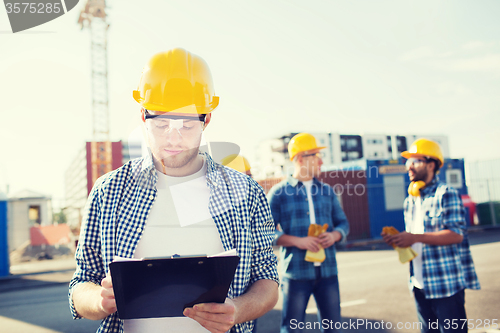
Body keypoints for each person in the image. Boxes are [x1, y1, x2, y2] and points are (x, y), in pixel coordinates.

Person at [68, 48, 279, 333]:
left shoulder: (246, 192)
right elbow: (82, 283)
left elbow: (267, 278)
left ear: (207, 119)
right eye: (162, 123)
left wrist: (239, 310)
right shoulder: (109, 191)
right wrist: (99, 299)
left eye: (187, 125)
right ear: (143, 116)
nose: (174, 138)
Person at [381, 138, 480, 333]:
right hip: (419, 284)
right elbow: (414, 241)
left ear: (431, 164)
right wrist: (399, 241)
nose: (409, 165)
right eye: (408, 161)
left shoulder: (446, 193)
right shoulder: (410, 201)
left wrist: (415, 237)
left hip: (446, 286)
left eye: (415, 160)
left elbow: (456, 234)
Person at [267, 132, 350, 333]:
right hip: (296, 274)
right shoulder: (278, 193)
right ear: (301, 158)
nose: (321, 161)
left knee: (333, 329)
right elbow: (264, 232)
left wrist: (334, 235)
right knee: (291, 329)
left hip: (328, 272)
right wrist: (298, 241)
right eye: (316, 155)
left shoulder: (327, 191)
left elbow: (343, 224)